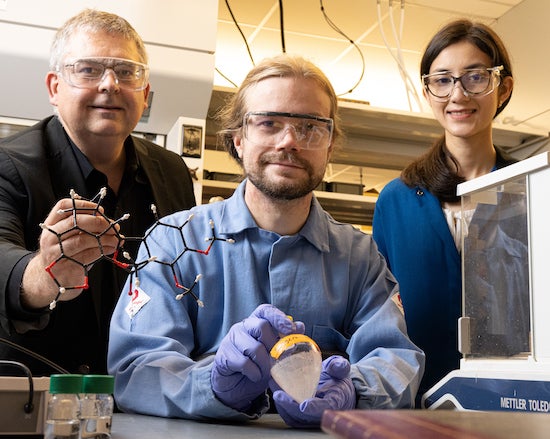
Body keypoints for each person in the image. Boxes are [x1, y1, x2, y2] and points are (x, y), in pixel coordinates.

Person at [107, 54, 425, 428]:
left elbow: (397, 358)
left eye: (310, 126)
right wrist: (212, 386)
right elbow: (135, 368)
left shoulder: (359, 255)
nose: (289, 141)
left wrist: (354, 390)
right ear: (239, 138)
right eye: (269, 122)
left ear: (330, 143)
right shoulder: (171, 243)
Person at [0, 9, 196, 376]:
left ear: (145, 94)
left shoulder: (172, 173)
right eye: (88, 69)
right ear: (54, 88)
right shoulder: (9, 165)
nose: (110, 84)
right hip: (39, 399)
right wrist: (48, 273)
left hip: (150, 395)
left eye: (126, 72)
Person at [372, 19, 515, 399]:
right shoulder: (396, 200)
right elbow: (377, 311)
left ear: (503, 88)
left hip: (518, 398)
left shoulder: (530, 192)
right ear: (427, 90)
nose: (458, 94)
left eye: (475, 77)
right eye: (443, 79)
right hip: (417, 397)